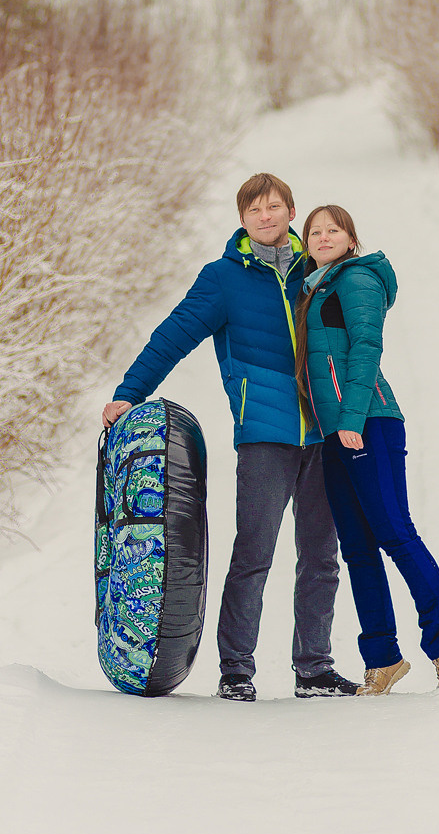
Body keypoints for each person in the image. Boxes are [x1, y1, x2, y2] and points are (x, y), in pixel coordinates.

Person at [102, 174, 359, 702]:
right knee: (254, 553)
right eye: (254, 209)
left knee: (321, 556)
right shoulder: (223, 278)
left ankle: (314, 668)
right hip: (264, 435)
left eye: (274, 207)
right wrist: (130, 392)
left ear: (292, 212)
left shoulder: (319, 271)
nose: (265, 217)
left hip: (325, 435)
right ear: (242, 219)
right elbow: (173, 335)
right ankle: (236, 670)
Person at [295, 204, 439, 696]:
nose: (323, 236)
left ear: (352, 239)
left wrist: (352, 418)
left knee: (395, 532)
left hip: (369, 422)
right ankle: (382, 659)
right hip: (334, 433)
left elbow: (367, 348)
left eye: (334, 229)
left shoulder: (356, 281)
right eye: (314, 231)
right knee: (355, 548)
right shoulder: (314, 288)